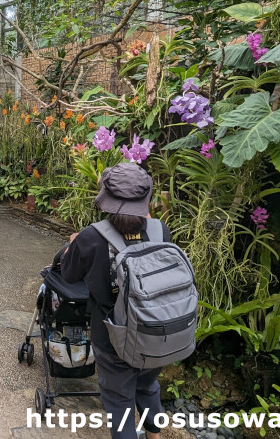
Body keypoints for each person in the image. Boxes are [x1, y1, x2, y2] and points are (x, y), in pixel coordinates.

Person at [60, 162, 172, 439]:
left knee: (119, 397)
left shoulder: (91, 237)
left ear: (106, 198)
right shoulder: (160, 230)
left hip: (114, 335)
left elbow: (69, 275)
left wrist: (73, 244)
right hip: (158, 331)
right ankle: (154, 435)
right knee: (147, 384)